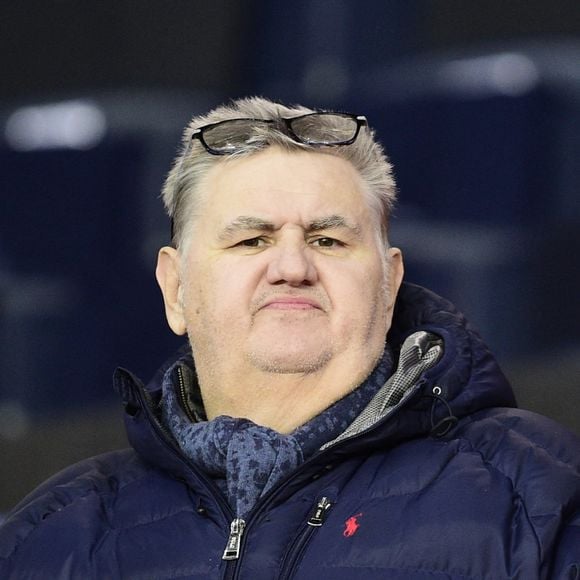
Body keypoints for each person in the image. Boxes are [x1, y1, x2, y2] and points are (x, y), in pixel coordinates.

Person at [0, 97, 578, 579]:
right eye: (251, 240)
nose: (292, 266)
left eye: (329, 240)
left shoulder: (539, 492)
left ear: (389, 281)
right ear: (175, 289)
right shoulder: (49, 542)